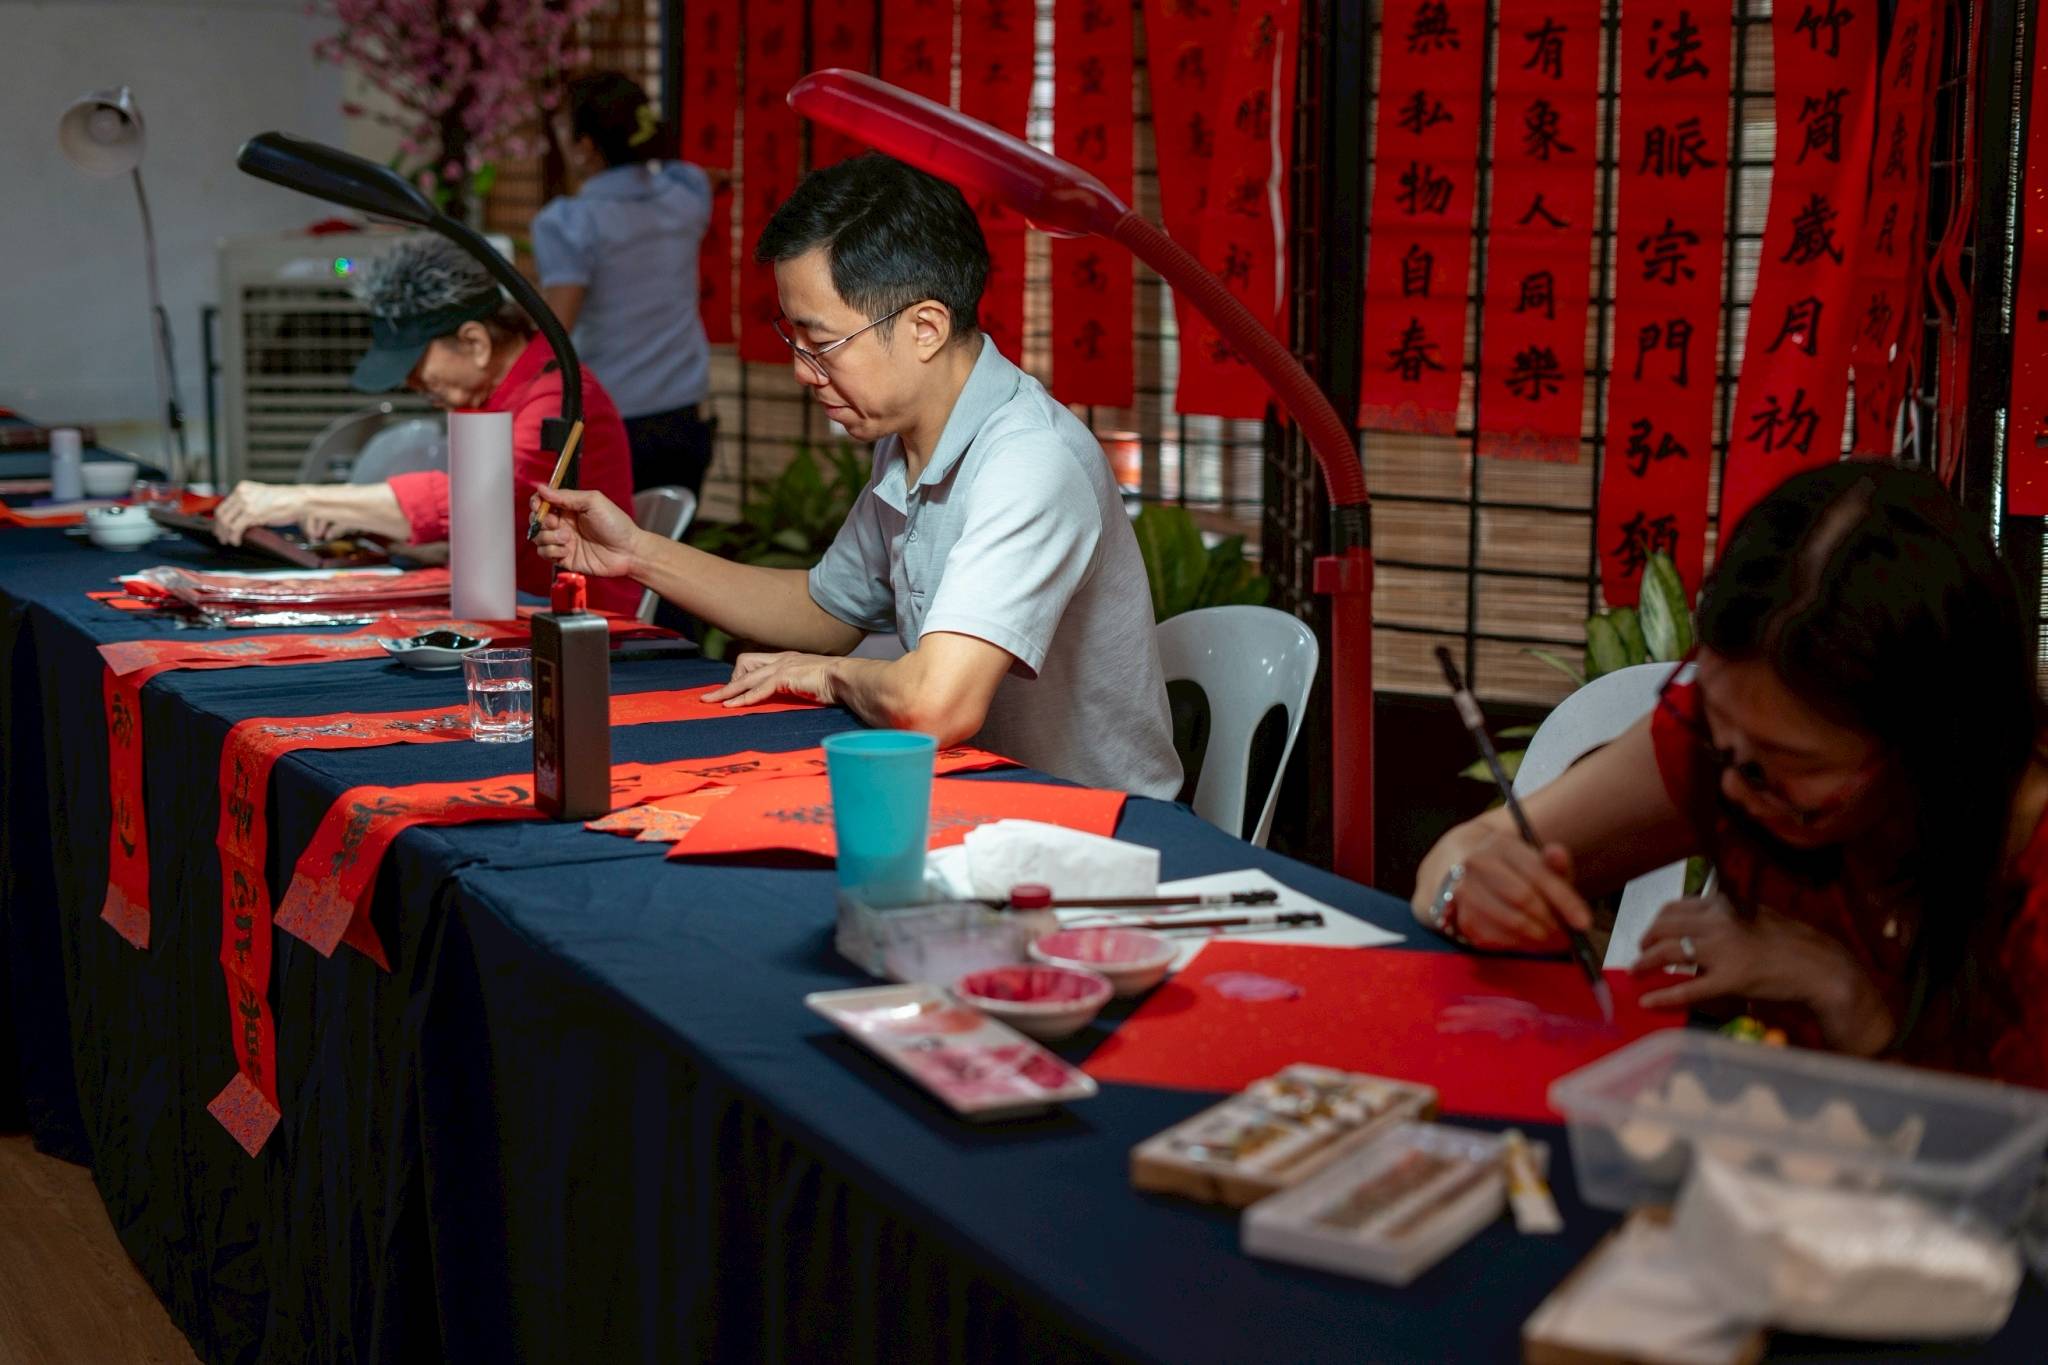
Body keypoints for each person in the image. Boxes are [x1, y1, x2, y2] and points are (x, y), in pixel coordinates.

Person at [533, 154, 1183, 799]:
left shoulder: (1029, 461)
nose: (802, 370)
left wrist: (827, 676)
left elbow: (937, 703)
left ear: (925, 327)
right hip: (970, 795)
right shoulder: (909, 440)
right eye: (794, 339)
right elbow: (825, 610)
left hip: (1097, 825)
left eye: (822, 344)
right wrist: (636, 552)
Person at [1410, 462, 2048, 1087]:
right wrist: (1471, 889)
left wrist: (1842, 994)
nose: (1735, 786)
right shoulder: (1724, 745)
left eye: (1789, 765)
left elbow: (2001, 1150)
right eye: (1717, 727)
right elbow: (1468, 850)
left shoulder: (2032, 871)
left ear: (1930, 743)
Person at [215, 236, 639, 616]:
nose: (411, 383)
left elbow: (478, 499)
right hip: (508, 605)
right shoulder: (490, 394)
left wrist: (303, 498)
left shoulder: (556, 395)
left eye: (415, 365)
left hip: (583, 625)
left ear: (475, 342)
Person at [533, 71, 720, 495]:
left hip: (610, 419)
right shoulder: (685, 196)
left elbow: (555, 329)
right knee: (668, 530)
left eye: (563, 125)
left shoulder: (571, 223)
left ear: (585, 146)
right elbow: (700, 176)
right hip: (683, 413)